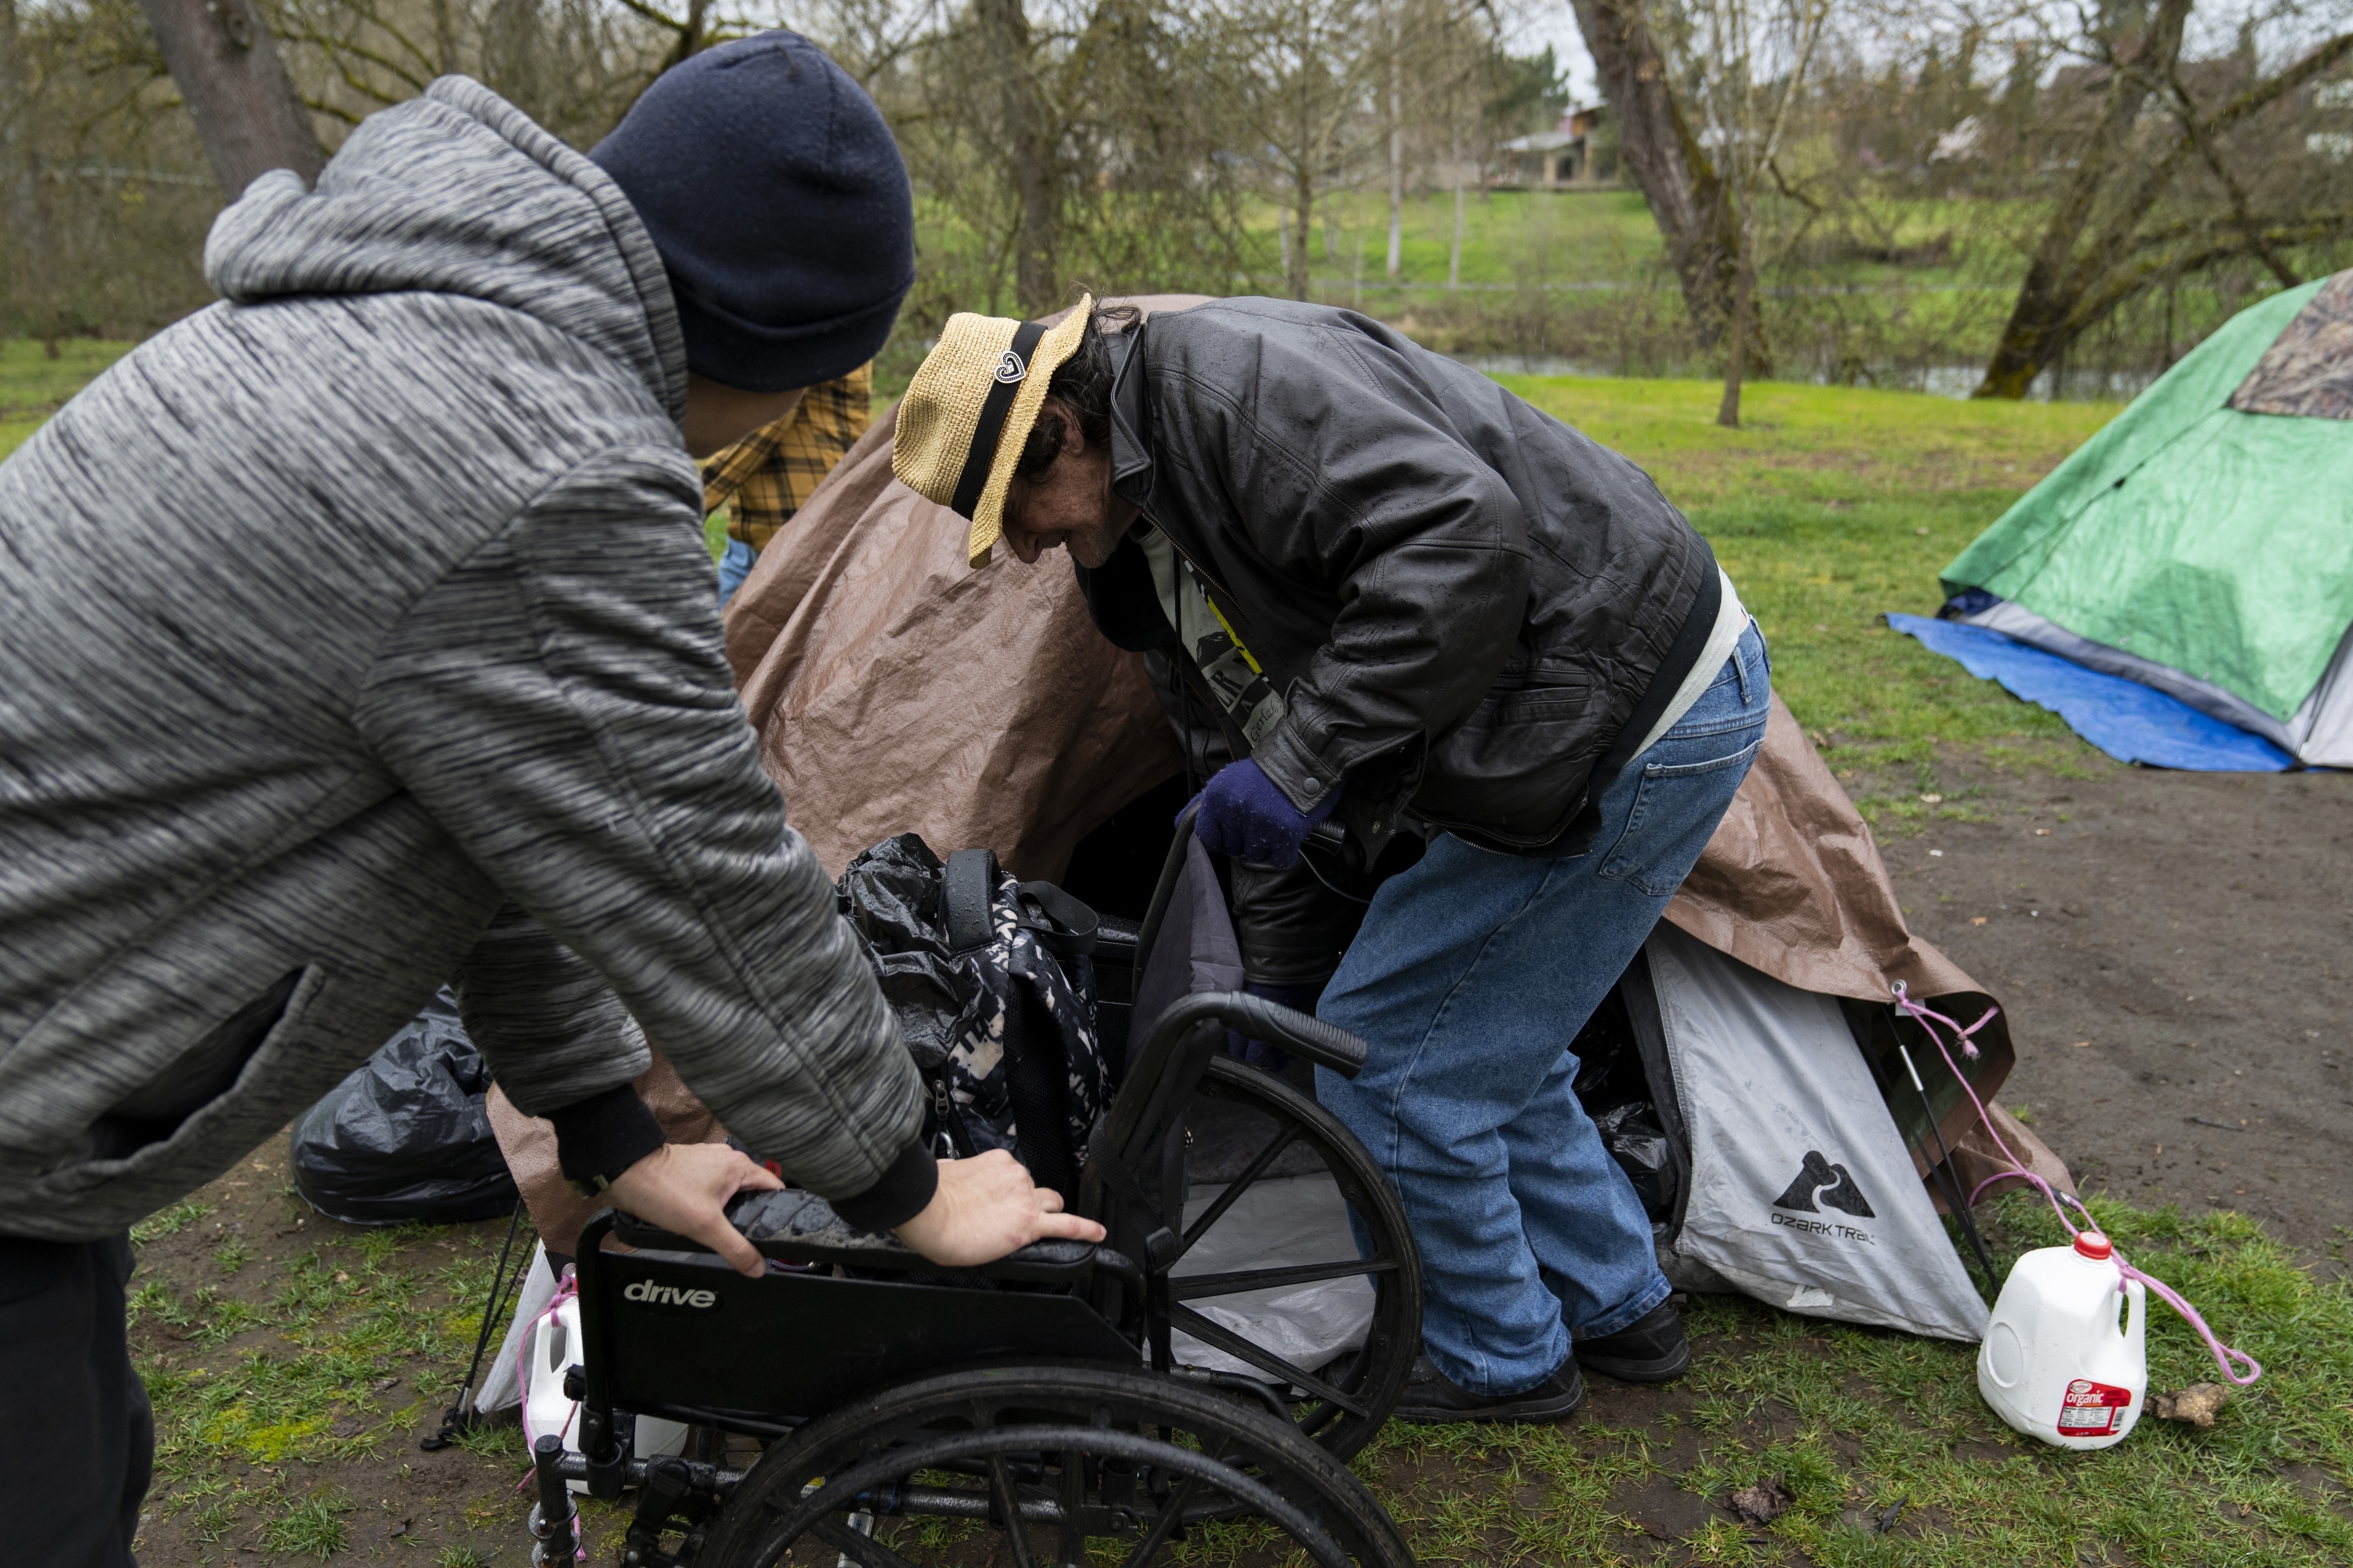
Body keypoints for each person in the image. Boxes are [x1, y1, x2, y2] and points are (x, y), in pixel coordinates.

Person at [0, 35, 1097, 1564]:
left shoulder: (419, 328)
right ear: (776, 357)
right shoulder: (540, 461)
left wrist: (600, 1125)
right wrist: (909, 1182)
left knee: (89, 1459)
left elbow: (487, 827)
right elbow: (711, 876)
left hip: (39, 1113)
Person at [892, 295, 1767, 1423]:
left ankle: (1498, 1357)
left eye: (1014, 509)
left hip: (1624, 704)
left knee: (1390, 1056)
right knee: (1482, 1032)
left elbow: (1462, 546)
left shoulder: (1227, 388)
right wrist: (1279, 941)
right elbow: (1232, 726)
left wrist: (1301, 765)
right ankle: (1619, 1306)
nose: (1022, 545)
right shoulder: (1136, 527)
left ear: (1061, 426)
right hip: (1573, 707)